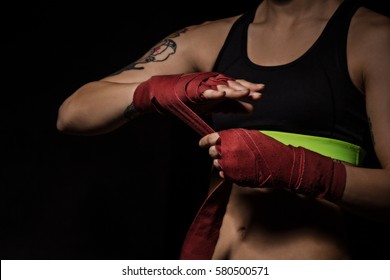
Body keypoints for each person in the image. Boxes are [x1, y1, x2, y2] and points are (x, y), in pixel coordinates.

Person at [57, 0, 390, 260]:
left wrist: (295, 168)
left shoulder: (372, 37)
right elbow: (72, 114)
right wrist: (160, 91)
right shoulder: (210, 38)